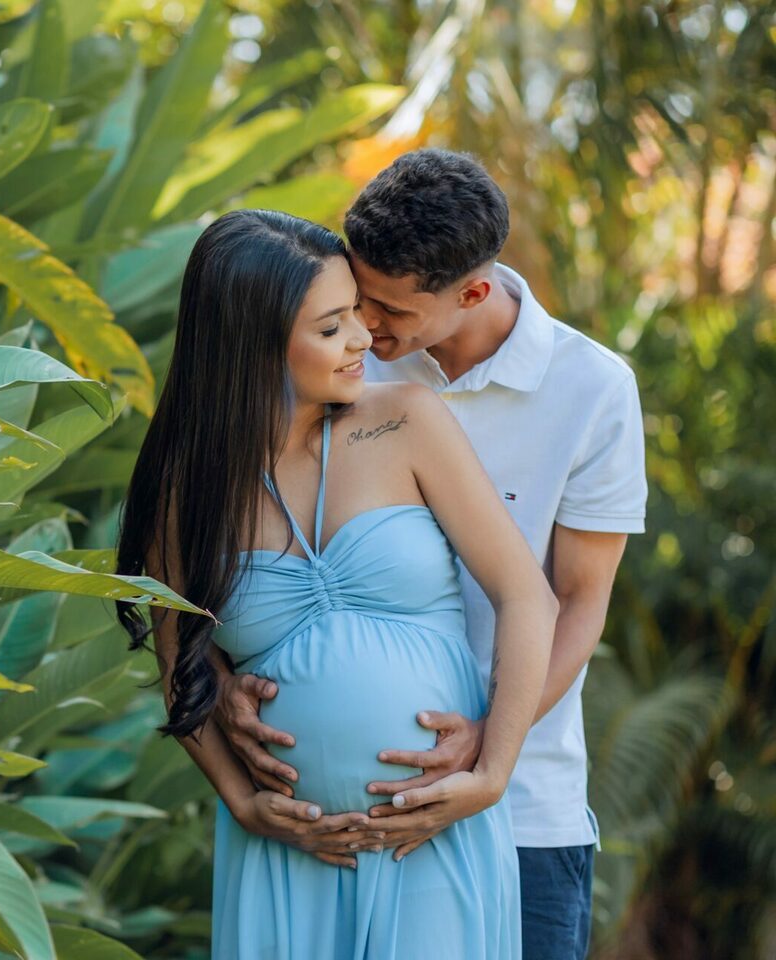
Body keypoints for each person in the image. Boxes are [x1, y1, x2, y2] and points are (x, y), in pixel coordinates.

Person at [211, 150, 648, 960]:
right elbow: (238, 528)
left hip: (523, 805)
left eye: (389, 311)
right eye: (354, 299)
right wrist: (220, 682)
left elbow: (579, 599)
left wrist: (488, 741)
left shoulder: (592, 389)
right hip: (323, 835)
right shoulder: (335, 357)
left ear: (473, 293)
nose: (367, 329)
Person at [115, 208, 557, 958]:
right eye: (332, 326)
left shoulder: (406, 421)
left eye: (356, 312)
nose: (363, 340)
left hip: (430, 835)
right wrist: (242, 801)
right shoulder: (186, 487)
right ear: (251, 345)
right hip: (290, 855)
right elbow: (180, 666)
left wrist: (490, 772)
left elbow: (527, 597)